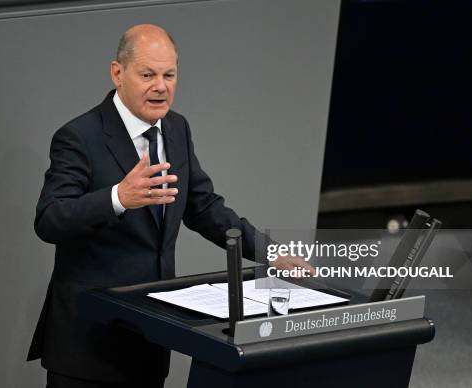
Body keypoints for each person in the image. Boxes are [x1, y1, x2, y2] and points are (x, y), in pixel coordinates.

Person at [28, 24, 310, 388]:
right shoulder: (79, 137)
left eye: (169, 74)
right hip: (89, 343)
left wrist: (269, 252)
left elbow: (203, 207)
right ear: (118, 72)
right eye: (147, 75)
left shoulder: (176, 129)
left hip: (150, 336)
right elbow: (49, 219)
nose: (160, 86)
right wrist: (118, 198)